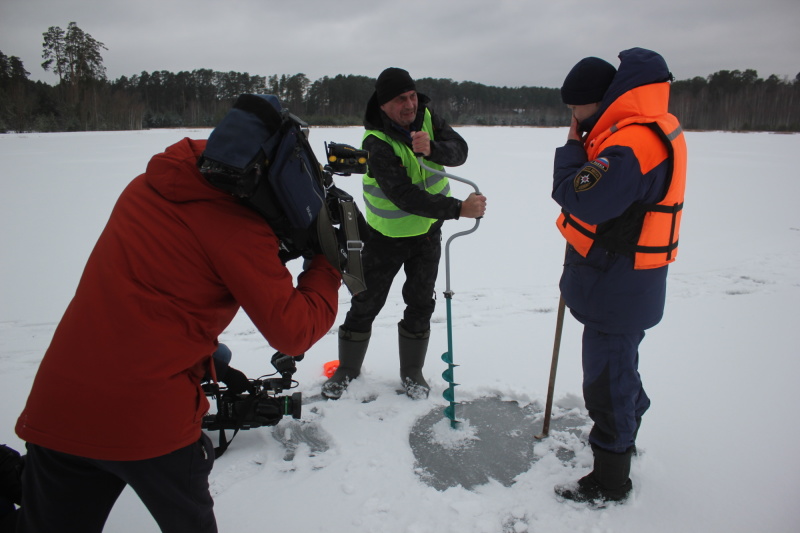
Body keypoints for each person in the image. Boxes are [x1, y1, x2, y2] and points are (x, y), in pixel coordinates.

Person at [14, 94, 342, 532]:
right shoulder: (238, 231)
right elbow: (293, 332)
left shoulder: (148, 184)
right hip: (148, 423)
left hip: (57, 407)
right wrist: (327, 265)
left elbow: (170, 283)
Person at [550, 48, 687, 506]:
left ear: (598, 100)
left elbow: (580, 198)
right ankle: (626, 427)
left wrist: (572, 149)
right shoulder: (634, 132)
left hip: (618, 287)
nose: (573, 116)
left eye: (575, 107)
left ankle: (611, 480)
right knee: (618, 374)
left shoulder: (630, 146)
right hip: (622, 284)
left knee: (607, 385)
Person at [321, 67, 487, 400]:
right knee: (365, 301)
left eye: (412, 96)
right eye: (401, 100)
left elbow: (461, 150)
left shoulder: (426, 116)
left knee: (420, 302)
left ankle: (412, 372)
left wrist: (433, 150)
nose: (410, 105)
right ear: (384, 105)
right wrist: (458, 209)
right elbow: (404, 196)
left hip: (427, 236)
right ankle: (348, 369)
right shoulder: (376, 142)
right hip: (386, 239)